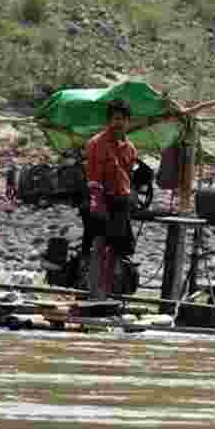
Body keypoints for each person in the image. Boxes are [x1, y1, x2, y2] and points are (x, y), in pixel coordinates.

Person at [84, 99, 137, 298]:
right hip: (100, 200)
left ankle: (107, 293)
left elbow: (128, 177)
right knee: (98, 246)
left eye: (122, 119)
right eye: (115, 119)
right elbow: (92, 177)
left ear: (128, 122)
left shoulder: (130, 148)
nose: (119, 123)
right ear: (109, 120)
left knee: (116, 249)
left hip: (121, 202)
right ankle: (94, 293)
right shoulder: (96, 144)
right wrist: (97, 202)